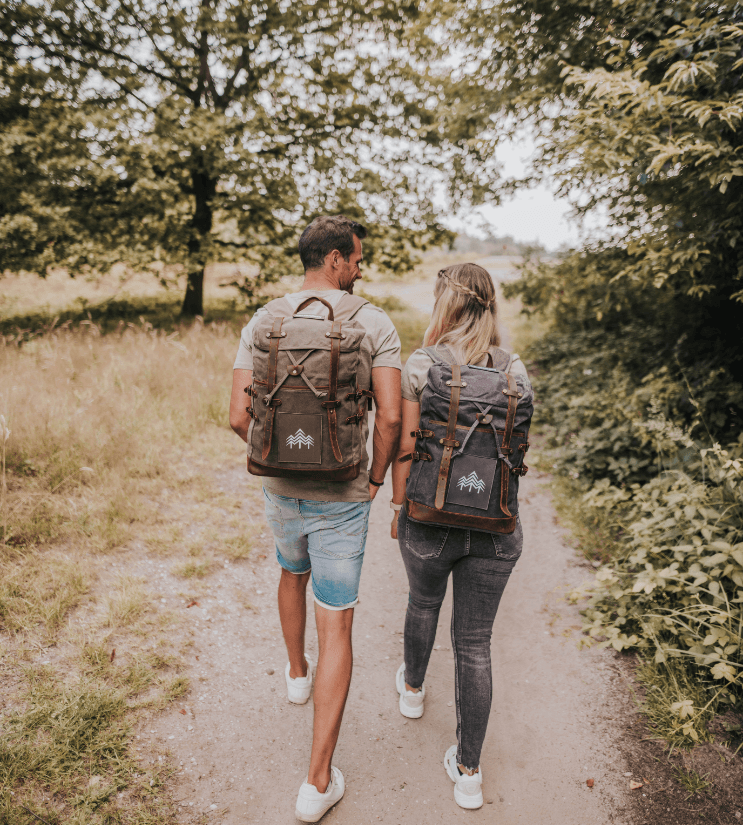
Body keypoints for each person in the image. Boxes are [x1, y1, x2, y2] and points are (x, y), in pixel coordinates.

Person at [229, 215, 402, 822]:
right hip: (343, 493)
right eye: (356, 258)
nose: (360, 268)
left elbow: (235, 416)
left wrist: (283, 454)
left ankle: (296, 674)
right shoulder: (374, 322)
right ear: (333, 259)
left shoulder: (264, 320)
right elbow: (388, 420)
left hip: (280, 485)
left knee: (289, 569)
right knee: (339, 623)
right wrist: (374, 480)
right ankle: (316, 782)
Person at [389, 263, 530, 810]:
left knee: (422, 601)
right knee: (474, 643)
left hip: (431, 515)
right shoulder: (516, 371)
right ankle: (469, 772)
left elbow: (405, 446)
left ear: (443, 305)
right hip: (495, 528)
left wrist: (401, 506)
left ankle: (413, 690)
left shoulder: (423, 365)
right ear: (489, 305)